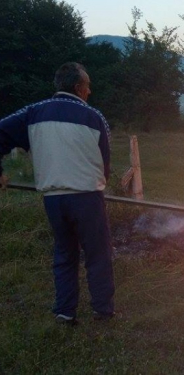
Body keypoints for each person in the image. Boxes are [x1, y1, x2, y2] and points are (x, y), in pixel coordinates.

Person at [0, 62, 115, 325]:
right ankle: (103, 309)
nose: (90, 90)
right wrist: (100, 183)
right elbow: (104, 162)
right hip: (87, 197)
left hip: (53, 199)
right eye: (87, 86)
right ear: (78, 87)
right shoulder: (95, 117)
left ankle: (65, 310)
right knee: (98, 254)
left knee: (64, 253)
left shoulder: (33, 113)